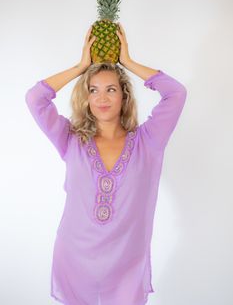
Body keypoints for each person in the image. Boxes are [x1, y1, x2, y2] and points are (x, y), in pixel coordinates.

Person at [25, 23, 187, 305]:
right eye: (94, 90)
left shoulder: (148, 142)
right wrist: (80, 67)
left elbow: (176, 93)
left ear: (124, 96)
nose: (102, 98)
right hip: (75, 259)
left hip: (127, 266)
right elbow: (35, 99)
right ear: (86, 98)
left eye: (111, 89)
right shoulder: (71, 140)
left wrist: (127, 62)